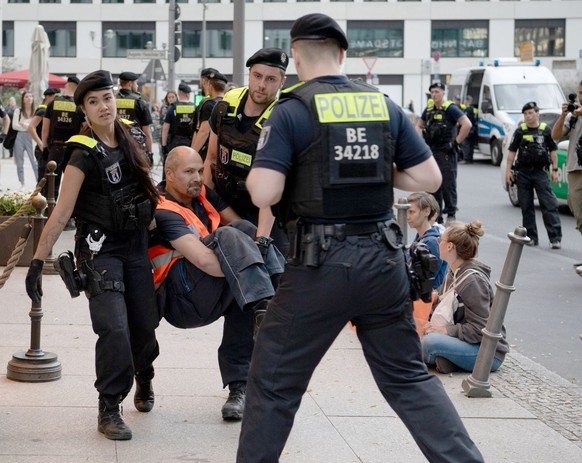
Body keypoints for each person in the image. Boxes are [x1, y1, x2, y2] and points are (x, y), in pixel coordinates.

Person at [236, 13, 484, 463]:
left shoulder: (292, 110)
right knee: (408, 379)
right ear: (343, 55)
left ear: (295, 55)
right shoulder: (382, 104)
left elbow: (264, 191)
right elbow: (427, 176)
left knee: (273, 382)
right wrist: (370, 170)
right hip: (384, 263)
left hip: (318, 267)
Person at [25, 70, 160, 441]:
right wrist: (38, 262)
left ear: (116, 99)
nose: (104, 106)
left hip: (136, 248)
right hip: (101, 251)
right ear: (84, 108)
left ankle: (144, 375)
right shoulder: (82, 152)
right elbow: (62, 210)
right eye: (94, 101)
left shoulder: (131, 136)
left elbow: (149, 190)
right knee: (114, 328)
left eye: (107, 98)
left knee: (145, 325)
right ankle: (109, 407)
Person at [149, 146, 285, 421]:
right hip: (182, 299)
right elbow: (205, 261)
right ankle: (272, 302)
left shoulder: (202, 194)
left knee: (245, 235)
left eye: (200, 171)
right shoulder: (163, 210)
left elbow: (246, 231)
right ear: (170, 174)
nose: (198, 177)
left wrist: (249, 260)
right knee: (229, 237)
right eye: (189, 172)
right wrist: (244, 264)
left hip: (211, 288)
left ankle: (239, 389)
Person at [204, 47, 289, 255]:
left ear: (282, 82)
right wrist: (206, 209)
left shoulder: (282, 118)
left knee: (271, 273)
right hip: (223, 204)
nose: (261, 85)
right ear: (249, 74)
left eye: (270, 79)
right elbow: (211, 159)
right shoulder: (225, 106)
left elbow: (273, 188)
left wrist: (261, 240)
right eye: (257, 76)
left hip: (264, 215)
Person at [421, 220, 510, 374]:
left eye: (440, 239)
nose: (437, 242)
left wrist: (445, 331)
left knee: (429, 342)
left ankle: (439, 358)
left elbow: (480, 329)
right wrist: (436, 300)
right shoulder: (453, 271)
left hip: (486, 353)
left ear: (450, 246)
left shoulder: (472, 281)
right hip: (464, 342)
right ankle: (445, 360)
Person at [505, 101, 562, 248]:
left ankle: (555, 238)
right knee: (526, 206)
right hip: (523, 173)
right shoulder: (520, 131)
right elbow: (512, 152)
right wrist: (508, 171)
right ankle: (531, 237)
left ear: (537, 113)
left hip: (540, 173)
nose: (527, 116)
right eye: (525, 113)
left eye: (530, 113)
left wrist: (555, 170)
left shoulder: (545, 130)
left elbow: (553, 151)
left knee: (549, 205)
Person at [416, 82, 472, 225]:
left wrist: (456, 143)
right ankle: (437, 216)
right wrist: (420, 143)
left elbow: (467, 124)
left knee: (448, 184)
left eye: (437, 92)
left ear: (443, 93)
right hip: (431, 152)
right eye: (432, 92)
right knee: (433, 185)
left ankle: (451, 214)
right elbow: (419, 125)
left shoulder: (450, 109)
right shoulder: (428, 109)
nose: (434, 95)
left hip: (447, 152)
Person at [551, 81, 582, 271]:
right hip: (575, 169)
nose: (581, 96)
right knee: (578, 211)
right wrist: (563, 116)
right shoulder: (574, 117)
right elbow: (555, 135)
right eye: (580, 92)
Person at [41, 76, 84, 200]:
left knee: (51, 181)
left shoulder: (53, 103)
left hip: (55, 147)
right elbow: (85, 128)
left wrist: (44, 147)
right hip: (73, 149)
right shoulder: (79, 106)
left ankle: (49, 209)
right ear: (77, 88)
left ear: (66, 86)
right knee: (72, 183)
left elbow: (45, 128)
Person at [407, 191, 448, 289]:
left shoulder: (431, 242)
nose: (408, 216)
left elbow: (428, 282)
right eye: (407, 211)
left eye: (411, 212)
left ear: (427, 211)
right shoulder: (421, 237)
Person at [116, 71, 154, 163]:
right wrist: (149, 153)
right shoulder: (140, 102)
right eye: (136, 83)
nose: (137, 86)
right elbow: (147, 132)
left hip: (115, 144)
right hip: (135, 147)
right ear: (130, 83)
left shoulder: (112, 100)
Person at [191, 68, 227, 161]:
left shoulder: (208, 104)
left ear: (210, 85)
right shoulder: (228, 103)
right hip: (224, 152)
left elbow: (204, 131)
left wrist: (191, 154)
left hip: (207, 153)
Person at [161, 83, 195, 177]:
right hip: (190, 142)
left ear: (179, 93)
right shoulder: (194, 107)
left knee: (172, 165)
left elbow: (165, 128)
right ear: (187, 94)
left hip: (174, 142)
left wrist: (164, 146)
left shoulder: (172, 107)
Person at [27, 87, 60, 184]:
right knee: (43, 180)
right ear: (49, 97)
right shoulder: (43, 110)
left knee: (48, 179)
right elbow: (31, 127)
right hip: (42, 149)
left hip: (46, 148)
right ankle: (39, 198)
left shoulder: (49, 110)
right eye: (56, 97)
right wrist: (41, 144)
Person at [12, 91, 38, 190]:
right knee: (19, 162)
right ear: (23, 99)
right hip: (19, 137)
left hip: (32, 137)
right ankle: (22, 183)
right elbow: (15, 126)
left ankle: (38, 183)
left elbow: (36, 126)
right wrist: (29, 126)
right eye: (27, 96)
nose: (29, 98)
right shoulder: (18, 111)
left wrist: (23, 124)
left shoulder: (36, 111)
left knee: (34, 161)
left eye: (31, 96)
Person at [461, 95, 478, 164]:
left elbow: (468, 120)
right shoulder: (474, 109)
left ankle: (466, 159)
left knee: (466, 144)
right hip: (474, 128)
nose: (464, 102)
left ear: (468, 101)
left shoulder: (468, 109)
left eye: (466, 100)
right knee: (471, 145)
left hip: (469, 128)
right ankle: (470, 158)